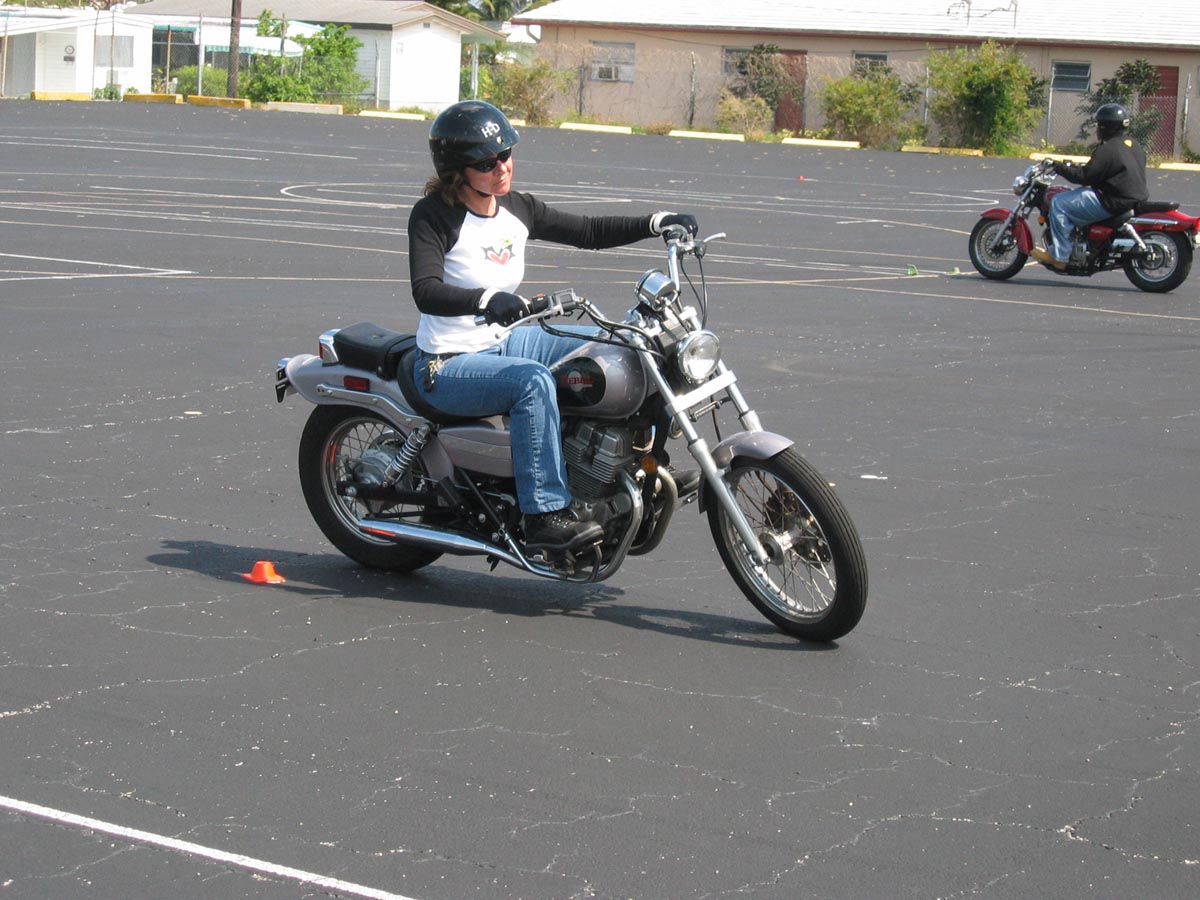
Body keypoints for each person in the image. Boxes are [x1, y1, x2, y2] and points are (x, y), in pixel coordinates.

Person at [407, 100, 698, 551]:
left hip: (506, 341)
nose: (502, 168)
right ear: (455, 172)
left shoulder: (515, 208)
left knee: (626, 347)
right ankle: (544, 513)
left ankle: (646, 465)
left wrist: (656, 223)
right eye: (486, 163)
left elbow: (588, 231)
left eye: (505, 155)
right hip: (446, 362)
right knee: (532, 383)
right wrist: (486, 299)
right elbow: (425, 289)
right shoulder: (433, 216)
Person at [1035, 102, 1148, 270]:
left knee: (1059, 202)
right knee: (1079, 196)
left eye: (1099, 124)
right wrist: (1074, 167)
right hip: (1133, 197)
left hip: (1113, 201)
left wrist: (1058, 167)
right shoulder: (1133, 144)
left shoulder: (1107, 149)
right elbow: (1101, 170)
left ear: (1105, 127)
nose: (1097, 129)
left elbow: (1085, 176)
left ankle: (1059, 256)